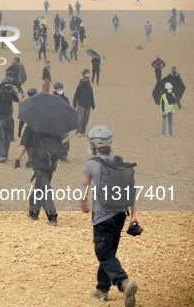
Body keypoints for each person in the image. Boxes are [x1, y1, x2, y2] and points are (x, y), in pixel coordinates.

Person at [78, 126, 140, 306]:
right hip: (121, 215)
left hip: (102, 217)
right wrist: (134, 214)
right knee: (108, 251)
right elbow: (132, 190)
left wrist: (84, 206)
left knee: (104, 253)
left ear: (93, 145)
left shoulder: (90, 164)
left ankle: (124, 283)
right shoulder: (120, 162)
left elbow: (82, 193)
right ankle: (102, 289)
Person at [14, 122, 58, 226]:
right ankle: (33, 212)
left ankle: (52, 216)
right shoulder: (53, 126)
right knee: (40, 186)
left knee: (44, 188)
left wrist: (17, 159)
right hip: (51, 163)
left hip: (39, 163)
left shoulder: (31, 127)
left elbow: (24, 147)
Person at [0, 76, 21, 162]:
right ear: (3, 84)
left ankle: (5, 155)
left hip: (9, 118)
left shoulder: (11, 93)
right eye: (6, 84)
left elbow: (20, 101)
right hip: (0, 117)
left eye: (9, 84)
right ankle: (0, 156)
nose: (8, 85)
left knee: (8, 138)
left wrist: (17, 91)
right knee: (1, 136)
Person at [73, 69, 95, 137]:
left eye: (87, 79)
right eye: (85, 79)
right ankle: (78, 132)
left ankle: (83, 131)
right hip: (81, 105)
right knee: (80, 118)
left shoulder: (89, 88)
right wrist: (74, 103)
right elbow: (76, 95)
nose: (86, 80)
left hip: (88, 105)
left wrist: (93, 104)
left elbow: (92, 96)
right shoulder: (79, 87)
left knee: (86, 119)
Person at [52, 82, 70, 162]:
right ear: (54, 89)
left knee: (65, 139)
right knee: (54, 139)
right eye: (58, 89)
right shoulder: (51, 98)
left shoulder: (65, 98)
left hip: (64, 121)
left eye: (61, 88)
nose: (59, 90)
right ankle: (54, 155)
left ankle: (63, 155)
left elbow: (69, 108)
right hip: (54, 121)